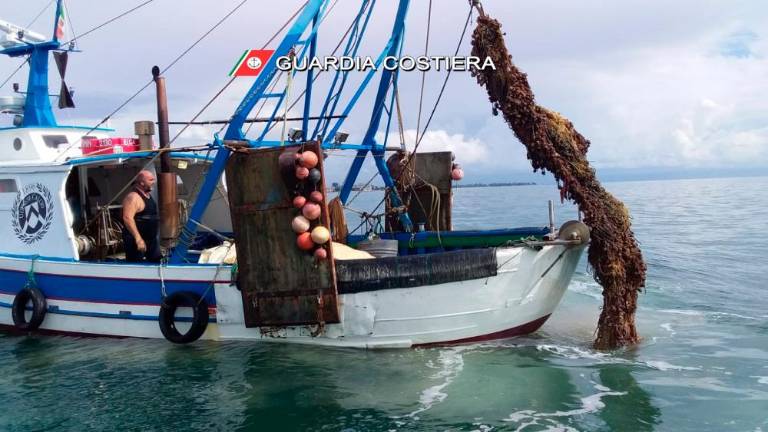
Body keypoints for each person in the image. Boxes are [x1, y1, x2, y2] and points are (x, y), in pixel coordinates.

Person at [122, 170, 162, 262]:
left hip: (151, 241)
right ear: (142, 183)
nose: (154, 182)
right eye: (151, 180)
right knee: (136, 265)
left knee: (157, 262)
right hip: (136, 241)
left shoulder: (148, 196)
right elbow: (127, 218)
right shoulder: (133, 197)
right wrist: (138, 239)